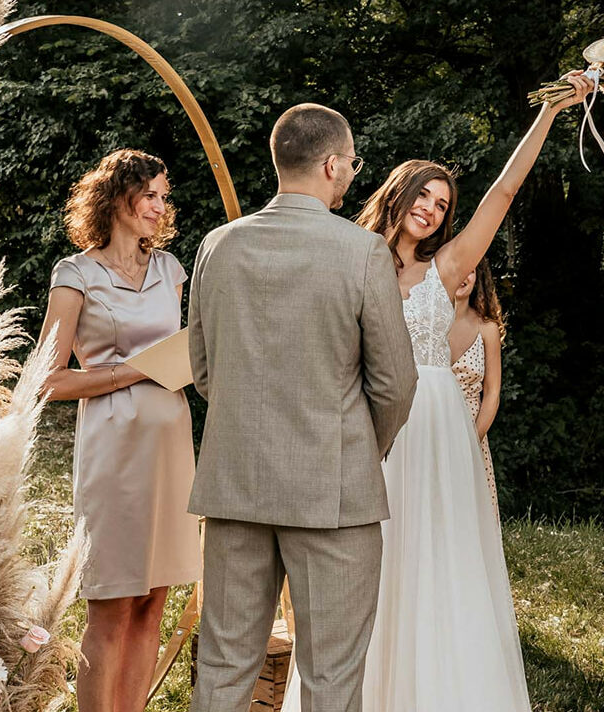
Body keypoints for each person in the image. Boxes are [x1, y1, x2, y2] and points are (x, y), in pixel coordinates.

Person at [284, 70, 595, 712]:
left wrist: (550, 115)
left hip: (438, 429)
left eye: (442, 204)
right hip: (375, 425)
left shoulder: (445, 269)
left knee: (440, 564)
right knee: (372, 566)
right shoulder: (350, 256)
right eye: (423, 196)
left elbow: (504, 194)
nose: (432, 209)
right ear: (397, 195)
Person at [187, 103, 418, 712]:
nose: (351, 174)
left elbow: (204, 370)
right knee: (331, 674)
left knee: (222, 663)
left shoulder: (217, 246)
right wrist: (360, 447)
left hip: (235, 482)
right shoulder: (363, 252)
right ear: (332, 164)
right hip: (333, 492)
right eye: (351, 164)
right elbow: (395, 383)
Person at [38, 149, 201, 712]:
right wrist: (133, 370)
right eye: (150, 194)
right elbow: (47, 380)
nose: (160, 206)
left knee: (153, 601)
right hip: (113, 449)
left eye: (164, 195)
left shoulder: (171, 269)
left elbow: (185, 352)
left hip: (170, 445)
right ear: (117, 198)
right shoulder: (76, 273)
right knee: (111, 602)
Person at [449, 257, 505, 518]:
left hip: (471, 427)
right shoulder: (427, 322)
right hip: (426, 423)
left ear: (478, 277)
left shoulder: (487, 328)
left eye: (469, 270)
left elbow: (492, 392)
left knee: (467, 511)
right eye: (458, 268)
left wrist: (471, 439)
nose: (463, 276)